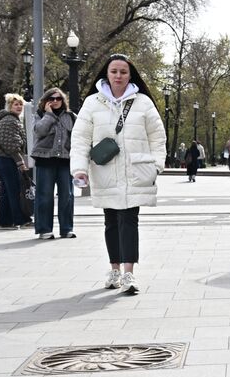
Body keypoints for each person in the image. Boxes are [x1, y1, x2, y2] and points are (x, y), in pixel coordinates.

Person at [70, 54, 166, 295]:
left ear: (130, 74)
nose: (118, 76)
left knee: (129, 220)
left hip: (136, 170)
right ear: (107, 73)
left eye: (123, 71)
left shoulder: (143, 102)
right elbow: (80, 138)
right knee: (111, 221)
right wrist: (79, 168)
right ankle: (114, 269)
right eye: (114, 71)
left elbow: (157, 136)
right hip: (106, 171)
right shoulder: (92, 102)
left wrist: (156, 165)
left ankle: (128, 273)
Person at [31, 87, 76, 239]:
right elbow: (39, 131)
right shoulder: (40, 115)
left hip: (65, 160)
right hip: (45, 160)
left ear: (63, 100)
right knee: (44, 196)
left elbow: (77, 137)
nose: (55, 101)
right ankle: (44, 229)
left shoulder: (71, 116)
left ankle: (66, 229)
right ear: (46, 101)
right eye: (52, 99)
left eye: (58, 98)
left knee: (67, 196)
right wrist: (49, 115)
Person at [0, 93, 31, 230]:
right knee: (14, 190)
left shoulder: (12, 119)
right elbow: (10, 144)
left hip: (4, 159)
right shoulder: (9, 120)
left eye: (20, 104)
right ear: (9, 106)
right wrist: (20, 161)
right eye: (15, 104)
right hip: (5, 159)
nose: (19, 107)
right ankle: (22, 220)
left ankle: (3, 222)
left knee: (7, 191)